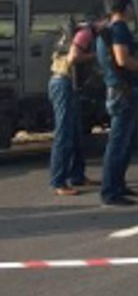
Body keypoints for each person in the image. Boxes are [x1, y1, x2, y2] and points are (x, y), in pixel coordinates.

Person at [98, 0, 138, 206]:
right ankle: (110, 192)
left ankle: (118, 185)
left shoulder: (106, 29)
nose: (133, 11)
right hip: (125, 90)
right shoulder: (120, 29)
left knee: (124, 141)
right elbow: (123, 59)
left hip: (117, 88)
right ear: (126, 8)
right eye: (132, 6)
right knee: (118, 142)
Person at [47, 17, 102, 195]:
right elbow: (74, 57)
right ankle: (58, 181)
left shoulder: (78, 32)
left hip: (66, 83)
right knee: (64, 134)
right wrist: (95, 56)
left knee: (76, 132)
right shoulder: (86, 34)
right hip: (64, 82)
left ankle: (76, 175)